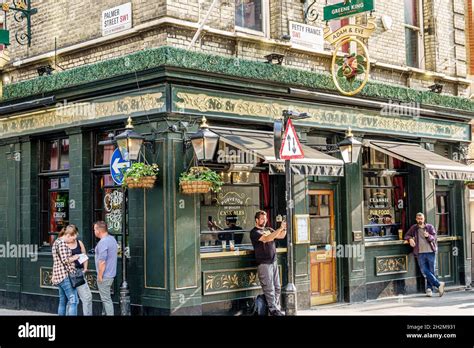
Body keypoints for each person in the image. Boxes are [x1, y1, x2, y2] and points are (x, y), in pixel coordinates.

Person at [250, 210, 287, 316]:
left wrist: (284, 227)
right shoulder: (254, 232)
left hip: (273, 262)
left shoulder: (269, 229)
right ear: (257, 220)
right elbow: (267, 238)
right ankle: (273, 309)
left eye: (265, 219)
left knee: (277, 287)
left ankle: (276, 308)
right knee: (269, 288)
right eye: (262, 219)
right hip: (264, 264)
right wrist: (279, 229)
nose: (264, 221)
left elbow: (281, 236)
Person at [405, 212, 445, 297]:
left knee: (431, 271)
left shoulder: (429, 227)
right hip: (420, 253)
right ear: (416, 219)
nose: (420, 220)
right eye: (418, 219)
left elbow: (434, 238)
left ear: (424, 219)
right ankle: (438, 285)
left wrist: (428, 236)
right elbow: (407, 235)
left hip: (430, 252)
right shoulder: (414, 228)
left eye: (421, 219)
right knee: (424, 271)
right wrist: (410, 239)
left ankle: (429, 289)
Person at [60, 225, 93, 316]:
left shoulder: (79, 243)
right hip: (67, 274)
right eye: (74, 234)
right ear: (69, 234)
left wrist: (85, 268)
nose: (76, 236)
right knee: (71, 300)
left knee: (87, 298)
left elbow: (84, 256)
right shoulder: (63, 244)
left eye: (76, 234)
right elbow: (62, 260)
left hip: (78, 273)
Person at [52, 227, 79, 316]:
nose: (73, 241)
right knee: (73, 301)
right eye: (73, 238)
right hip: (65, 276)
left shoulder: (57, 241)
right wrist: (76, 257)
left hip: (59, 276)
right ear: (68, 235)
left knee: (63, 301)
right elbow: (65, 260)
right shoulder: (62, 243)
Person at [94, 221, 118, 315]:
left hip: (105, 275)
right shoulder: (112, 239)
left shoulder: (103, 242)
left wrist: (100, 276)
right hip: (111, 274)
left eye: (94, 229)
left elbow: (102, 262)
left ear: (99, 230)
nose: (94, 231)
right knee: (105, 298)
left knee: (106, 299)